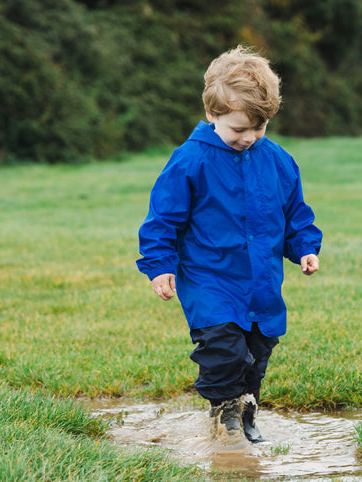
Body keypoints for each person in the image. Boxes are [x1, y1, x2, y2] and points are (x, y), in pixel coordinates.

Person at [136, 45, 322, 444]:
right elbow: (163, 219)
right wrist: (160, 265)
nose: (249, 138)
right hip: (210, 280)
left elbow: (296, 215)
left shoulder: (279, 161)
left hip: (261, 283)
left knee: (257, 353)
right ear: (212, 113)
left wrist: (305, 246)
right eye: (239, 130)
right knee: (223, 350)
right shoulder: (190, 160)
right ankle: (225, 421)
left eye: (259, 127)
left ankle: (246, 416)